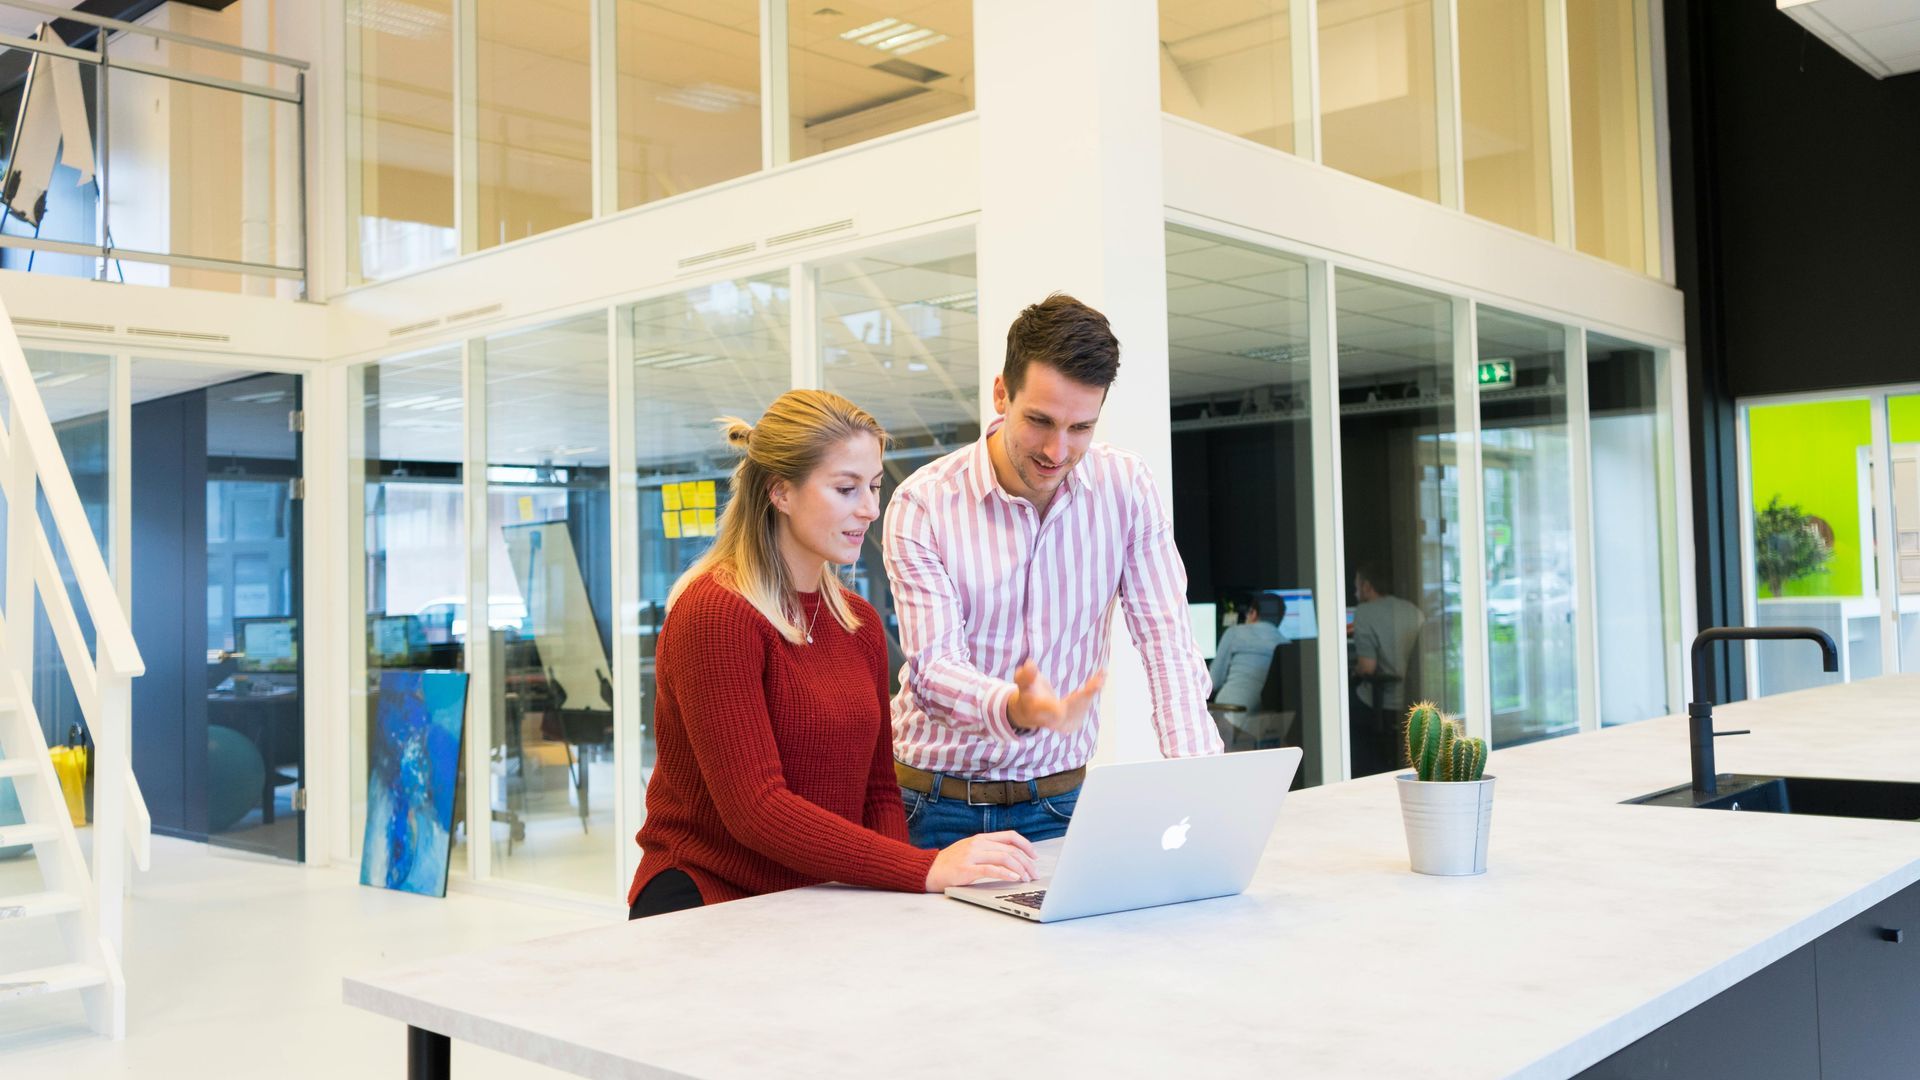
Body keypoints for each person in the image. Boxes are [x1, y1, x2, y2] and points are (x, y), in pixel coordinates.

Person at [625, 390, 1037, 919]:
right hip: (710, 900)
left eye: (873, 486)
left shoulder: (858, 622)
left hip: (817, 898)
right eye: (846, 489)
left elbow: (879, 794)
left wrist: (899, 894)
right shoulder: (715, 613)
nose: (870, 509)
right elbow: (756, 810)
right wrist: (921, 869)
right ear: (780, 492)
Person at [884, 294, 1223, 851]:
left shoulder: (1125, 488)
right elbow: (933, 671)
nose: (1056, 450)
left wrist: (1203, 785)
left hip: (1060, 802)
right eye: (1039, 421)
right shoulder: (923, 503)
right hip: (931, 806)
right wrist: (1012, 707)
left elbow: (1167, 641)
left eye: (1080, 428)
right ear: (1001, 394)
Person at [1347, 562, 1426, 775]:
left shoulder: (1364, 612)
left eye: (1356, 586)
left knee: (1343, 708)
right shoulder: (1412, 609)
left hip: (1384, 701)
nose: (1355, 592)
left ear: (1367, 587)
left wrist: (1353, 671)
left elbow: (1367, 667)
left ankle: (1363, 774)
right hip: (1413, 698)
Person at [1209, 593, 1288, 745]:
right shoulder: (1284, 643)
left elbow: (1213, 682)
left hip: (1229, 717)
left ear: (1253, 613)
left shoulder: (1236, 632)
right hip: (1265, 724)